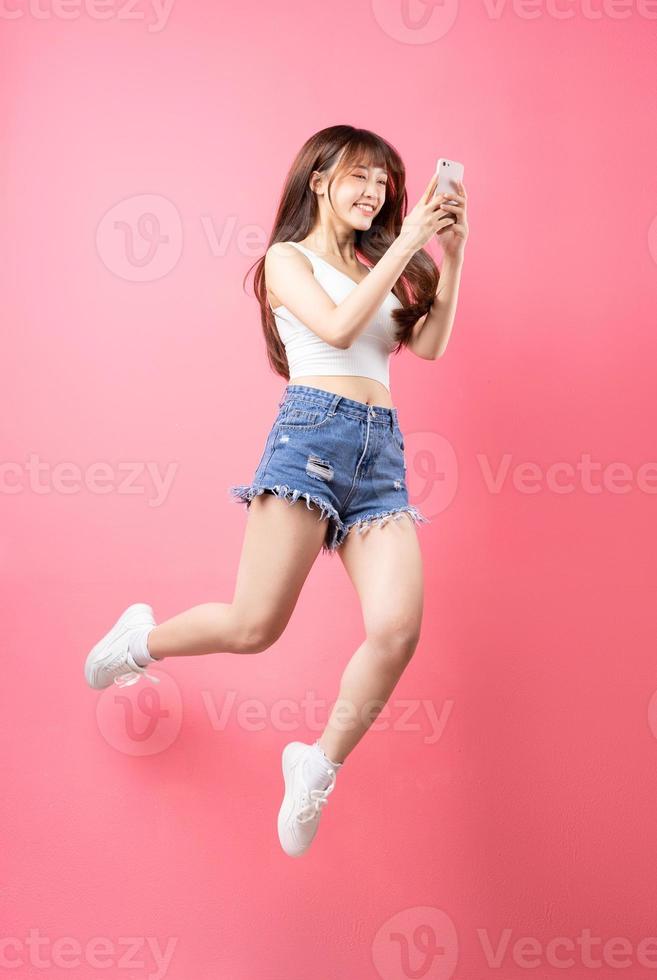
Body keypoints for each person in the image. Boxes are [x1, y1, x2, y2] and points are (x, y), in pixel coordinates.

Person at [84, 125, 469, 857]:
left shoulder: (372, 265)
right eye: (359, 177)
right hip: (312, 442)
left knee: (396, 630)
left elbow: (427, 345)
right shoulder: (284, 260)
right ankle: (139, 641)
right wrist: (403, 243)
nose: (375, 193)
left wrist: (454, 246)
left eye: (385, 184)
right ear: (318, 180)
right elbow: (333, 324)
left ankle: (316, 763)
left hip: (380, 455)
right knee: (253, 628)